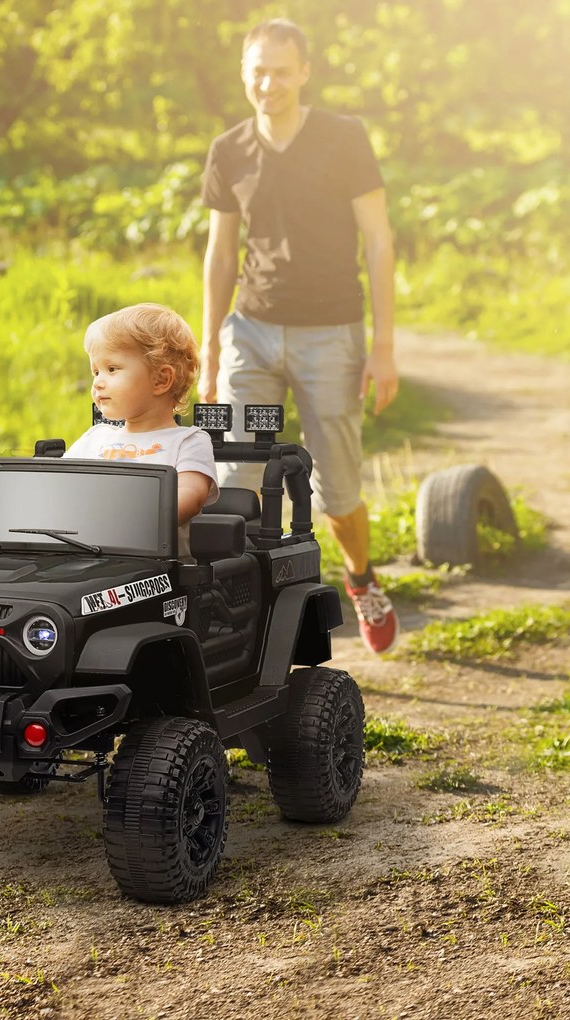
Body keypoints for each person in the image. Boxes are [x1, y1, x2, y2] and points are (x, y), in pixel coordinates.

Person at [199, 17, 400, 653]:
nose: (269, 83)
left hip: (331, 336)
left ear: (304, 71)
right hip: (251, 333)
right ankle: (236, 613)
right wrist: (208, 350)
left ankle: (361, 579)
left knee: (337, 489)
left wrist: (385, 345)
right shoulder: (229, 150)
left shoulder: (344, 138)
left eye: (282, 71)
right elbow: (220, 254)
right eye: (258, 71)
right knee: (233, 474)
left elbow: (379, 239)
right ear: (243, 74)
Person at [65, 303, 219, 556]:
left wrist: (131, 521)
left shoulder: (188, 442)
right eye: (95, 371)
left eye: (111, 369)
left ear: (161, 379)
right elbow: (59, 486)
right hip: (87, 558)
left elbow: (190, 496)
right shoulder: (94, 439)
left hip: (160, 571)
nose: (97, 383)